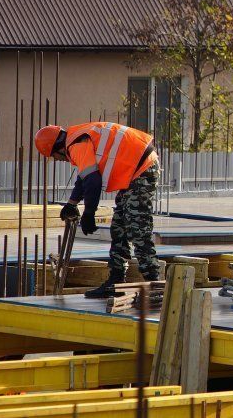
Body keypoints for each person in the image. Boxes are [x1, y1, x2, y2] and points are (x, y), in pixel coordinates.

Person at [34, 121, 160, 298]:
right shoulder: (77, 138)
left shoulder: (76, 145)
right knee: (119, 228)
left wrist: (89, 214)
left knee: (137, 229)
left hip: (141, 169)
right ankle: (116, 282)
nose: (58, 160)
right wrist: (72, 203)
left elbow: (93, 180)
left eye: (55, 156)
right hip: (134, 169)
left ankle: (155, 285)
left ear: (57, 148)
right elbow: (85, 176)